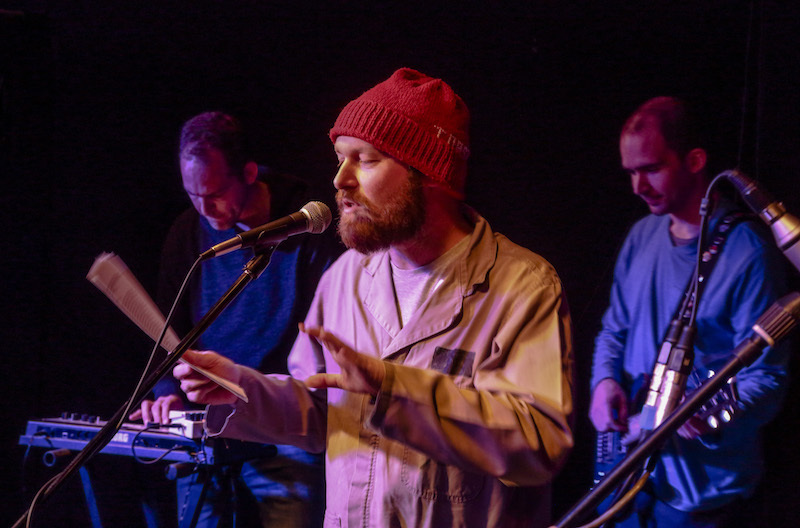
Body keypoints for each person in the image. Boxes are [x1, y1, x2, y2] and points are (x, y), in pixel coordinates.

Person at [170, 68, 575, 528]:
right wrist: (240, 388)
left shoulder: (523, 285)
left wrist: (392, 387)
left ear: (429, 173)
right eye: (340, 158)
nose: (340, 180)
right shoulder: (345, 277)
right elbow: (319, 409)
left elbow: (539, 446)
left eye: (365, 159)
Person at [589, 96, 791, 527]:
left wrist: (705, 415)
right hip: (628, 475)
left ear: (695, 160)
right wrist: (603, 381)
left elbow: (767, 379)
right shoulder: (641, 235)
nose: (637, 187)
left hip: (697, 498)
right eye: (631, 172)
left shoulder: (749, 253)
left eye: (651, 169)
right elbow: (614, 329)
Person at [132, 111, 340, 527]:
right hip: (208, 418)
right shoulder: (188, 232)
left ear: (248, 173)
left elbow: (323, 339)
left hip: (282, 421)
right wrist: (169, 391)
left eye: (213, 193)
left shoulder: (308, 231)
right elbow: (169, 328)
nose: (203, 208)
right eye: (192, 195)